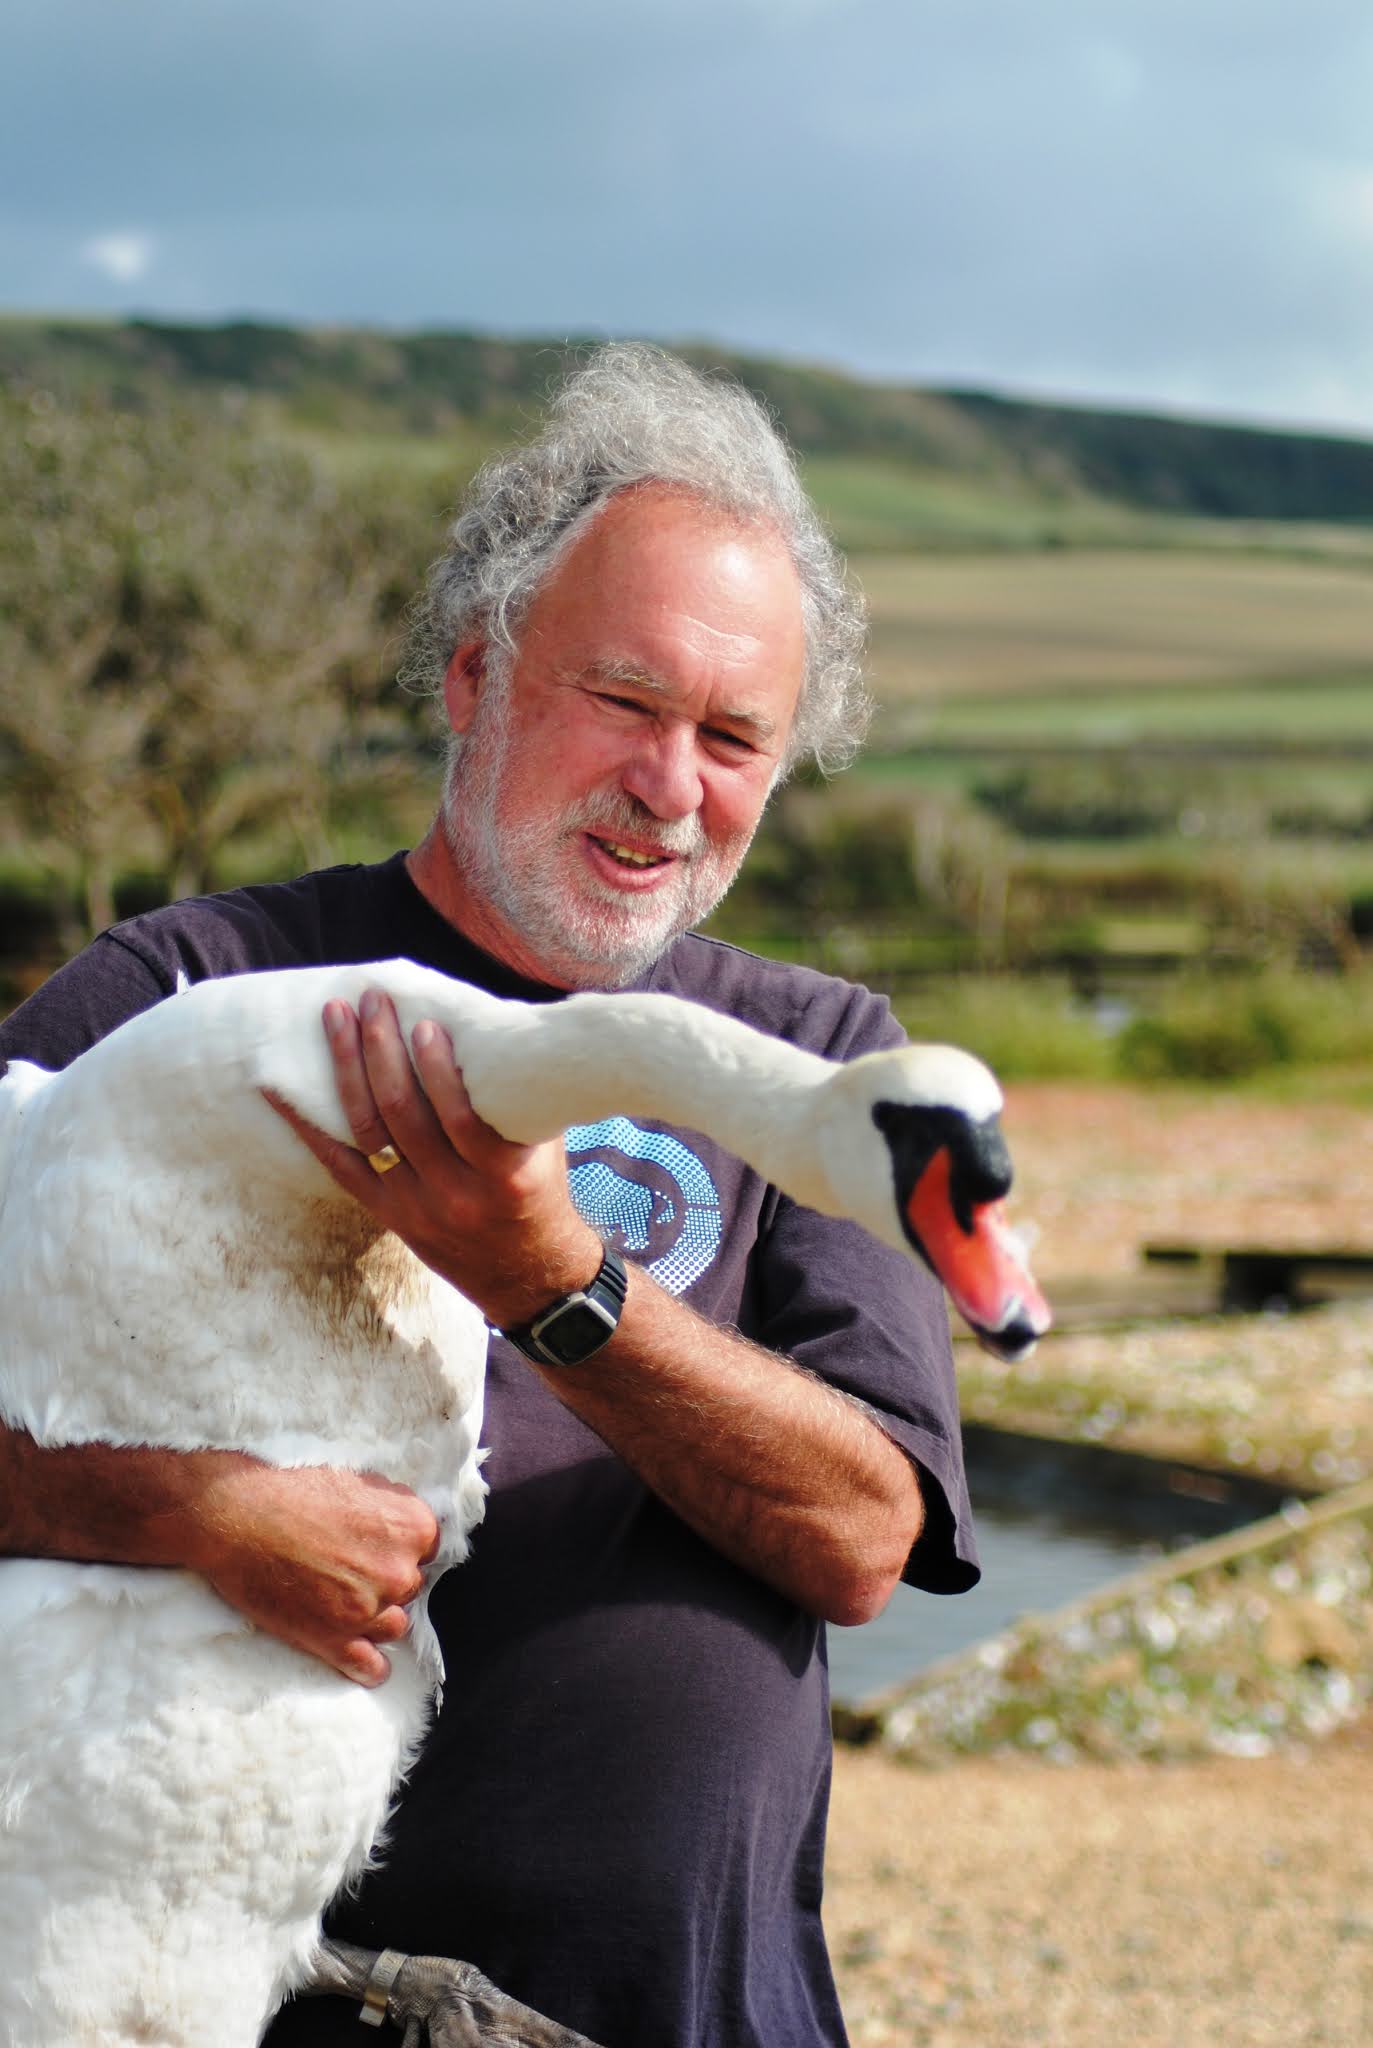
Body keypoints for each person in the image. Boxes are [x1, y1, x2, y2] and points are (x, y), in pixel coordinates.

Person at [0, 345, 978, 2048]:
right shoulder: (183, 1001)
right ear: (473, 674)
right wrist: (186, 1512)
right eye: (625, 700)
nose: (670, 783)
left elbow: (859, 1536)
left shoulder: (820, 1058)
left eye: (731, 736)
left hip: (688, 2017)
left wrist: (554, 1285)